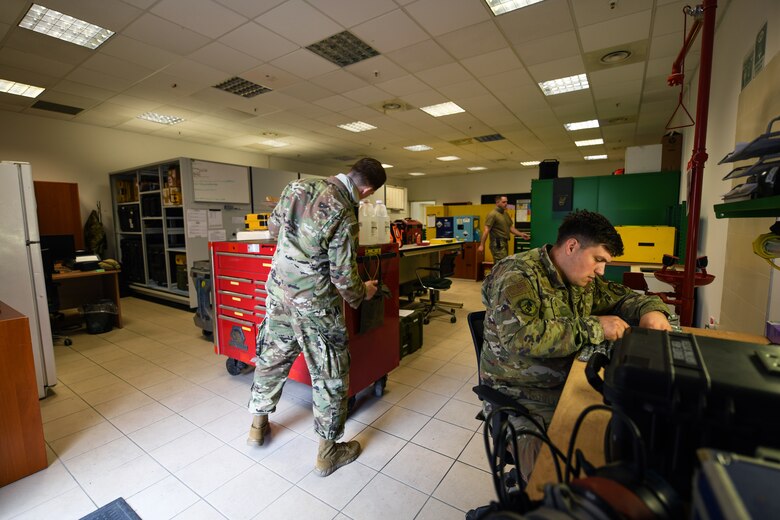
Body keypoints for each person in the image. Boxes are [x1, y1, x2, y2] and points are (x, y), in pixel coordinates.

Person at [479, 209, 671, 485]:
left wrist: (652, 312)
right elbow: (521, 337)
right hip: (520, 396)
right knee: (558, 482)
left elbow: (625, 298)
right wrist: (596, 326)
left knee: (626, 444)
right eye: (598, 260)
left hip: (566, 384)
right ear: (572, 246)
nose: (601, 270)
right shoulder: (517, 275)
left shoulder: (581, 279)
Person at [246, 158, 386, 477]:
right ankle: (328, 452)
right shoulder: (344, 211)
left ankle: (257, 426)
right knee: (331, 372)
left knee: (272, 357)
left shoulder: (297, 186)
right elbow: (343, 276)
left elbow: (273, 229)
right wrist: (363, 292)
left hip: (279, 291)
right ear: (366, 190)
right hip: (314, 304)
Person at [478, 195, 530, 261]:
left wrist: (521, 234)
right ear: (497, 203)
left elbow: (510, 227)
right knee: (501, 265)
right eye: (503, 202)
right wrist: (481, 245)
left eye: (506, 202)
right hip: (497, 243)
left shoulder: (505, 214)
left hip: (504, 242)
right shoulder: (492, 214)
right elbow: (486, 230)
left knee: (503, 264)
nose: (506, 204)